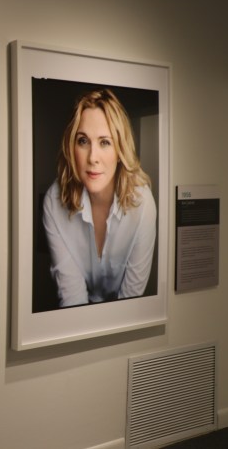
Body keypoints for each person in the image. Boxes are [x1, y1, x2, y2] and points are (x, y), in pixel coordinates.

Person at [42, 89, 156, 307]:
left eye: (105, 142)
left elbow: (131, 298)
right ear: (72, 147)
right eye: (83, 141)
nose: (93, 157)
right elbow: (72, 297)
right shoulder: (53, 202)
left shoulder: (142, 204)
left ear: (120, 149)